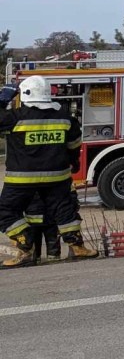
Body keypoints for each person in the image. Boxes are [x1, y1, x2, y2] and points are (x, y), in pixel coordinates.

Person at [0, 76, 98, 268]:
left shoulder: (15, 117)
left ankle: (25, 241)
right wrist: (74, 162)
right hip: (58, 176)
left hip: (22, 180)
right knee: (64, 210)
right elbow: (74, 144)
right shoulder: (64, 117)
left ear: (24, 94)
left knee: (5, 211)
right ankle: (77, 247)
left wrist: (3, 99)